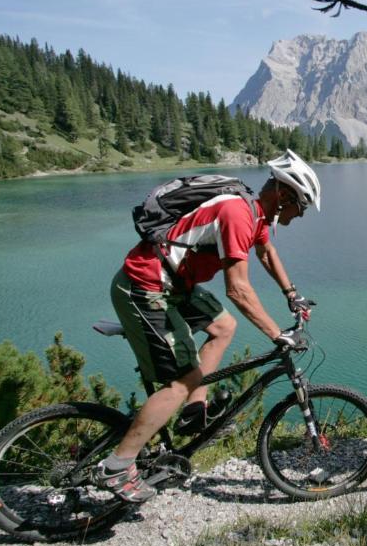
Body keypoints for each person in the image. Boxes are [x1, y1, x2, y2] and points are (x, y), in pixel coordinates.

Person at [92, 150, 321, 502]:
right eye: (299, 206)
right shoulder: (237, 213)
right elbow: (238, 289)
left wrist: (292, 294)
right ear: (283, 196)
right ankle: (117, 467)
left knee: (223, 327)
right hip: (145, 287)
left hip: (173, 285)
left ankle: (194, 409)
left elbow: (266, 253)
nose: (299, 215)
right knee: (180, 381)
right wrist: (278, 333)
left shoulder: (254, 212)